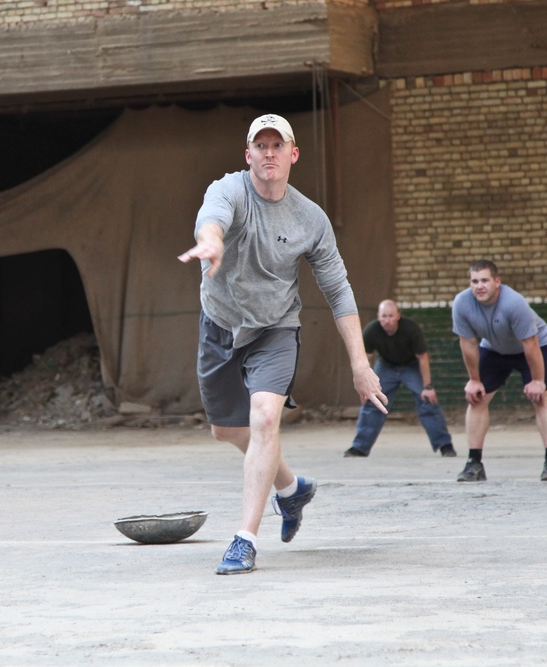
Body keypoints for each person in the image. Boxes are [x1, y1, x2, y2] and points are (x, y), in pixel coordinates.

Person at [178, 113, 387, 575]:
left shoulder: (310, 218)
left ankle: (244, 540)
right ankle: (293, 491)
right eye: (261, 146)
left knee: (265, 418)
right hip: (220, 326)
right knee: (226, 430)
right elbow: (211, 220)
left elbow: (338, 291)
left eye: (278, 146)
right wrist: (210, 242)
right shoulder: (229, 189)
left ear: (293, 154)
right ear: (247, 154)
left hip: (275, 330)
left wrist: (359, 363)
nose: (268, 153)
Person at [451, 259, 547, 482]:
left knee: (542, 398)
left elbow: (530, 343)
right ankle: (474, 463)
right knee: (477, 398)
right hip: (494, 347)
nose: (479, 286)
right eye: (474, 281)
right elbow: (468, 344)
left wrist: (538, 380)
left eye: (485, 280)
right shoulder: (462, 303)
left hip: (533, 345)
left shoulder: (513, 303)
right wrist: (474, 380)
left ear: (497, 282)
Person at [344, 300, 456, 458]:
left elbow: (423, 358)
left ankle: (445, 445)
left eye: (391, 316)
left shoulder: (411, 329)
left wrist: (428, 387)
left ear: (398, 317)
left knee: (427, 400)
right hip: (386, 365)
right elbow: (366, 359)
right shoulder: (372, 330)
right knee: (373, 401)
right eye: (384, 316)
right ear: (378, 317)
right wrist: (366, 386)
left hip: (411, 365)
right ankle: (359, 448)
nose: (387, 320)